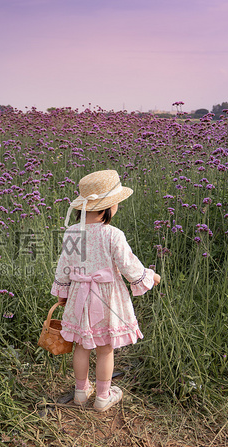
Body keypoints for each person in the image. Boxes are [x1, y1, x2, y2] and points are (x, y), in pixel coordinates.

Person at [51, 170, 161, 412]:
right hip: (107, 299)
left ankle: (80, 391)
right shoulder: (112, 234)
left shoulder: (72, 233)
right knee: (105, 348)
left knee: (81, 346)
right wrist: (149, 276)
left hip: (79, 296)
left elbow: (64, 266)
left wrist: (62, 291)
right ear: (109, 208)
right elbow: (128, 264)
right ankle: (103, 396)